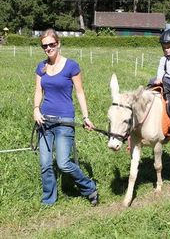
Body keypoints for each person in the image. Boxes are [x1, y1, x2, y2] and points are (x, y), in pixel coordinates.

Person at [33, 28, 98, 206]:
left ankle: (89, 187)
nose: (48, 48)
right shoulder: (41, 67)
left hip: (64, 121)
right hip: (44, 121)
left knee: (63, 163)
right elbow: (39, 91)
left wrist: (85, 117)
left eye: (51, 44)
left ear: (58, 43)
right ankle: (48, 200)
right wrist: (36, 109)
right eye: (44, 46)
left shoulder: (71, 66)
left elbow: (80, 93)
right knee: (46, 164)